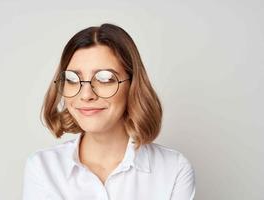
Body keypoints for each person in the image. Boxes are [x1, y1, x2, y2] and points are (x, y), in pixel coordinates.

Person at [22, 23, 195, 200]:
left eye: (105, 79)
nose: (86, 94)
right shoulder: (43, 168)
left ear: (132, 85)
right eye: (73, 79)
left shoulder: (174, 169)